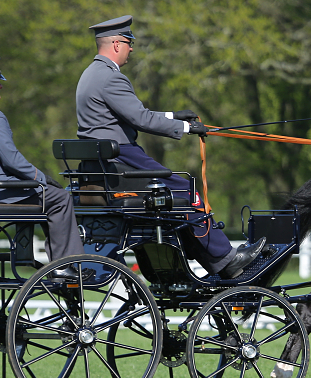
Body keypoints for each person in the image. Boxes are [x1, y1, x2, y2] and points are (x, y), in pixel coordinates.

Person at [76, 15, 263, 279]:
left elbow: (131, 113)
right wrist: (187, 129)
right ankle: (225, 258)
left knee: (178, 194)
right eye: (129, 43)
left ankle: (211, 261)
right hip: (123, 158)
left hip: (106, 161)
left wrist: (173, 117)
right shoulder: (111, 78)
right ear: (116, 44)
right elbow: (139, 119)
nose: (132, 48)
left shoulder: (90, 75)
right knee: (186, 191)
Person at [0, 56, 86, 278]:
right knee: (60, 199)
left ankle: (56, 261)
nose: (1, 85)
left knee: (48, 196)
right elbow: (12, 160)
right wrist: (41, 177)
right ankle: (65, 265)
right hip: (0, 193)